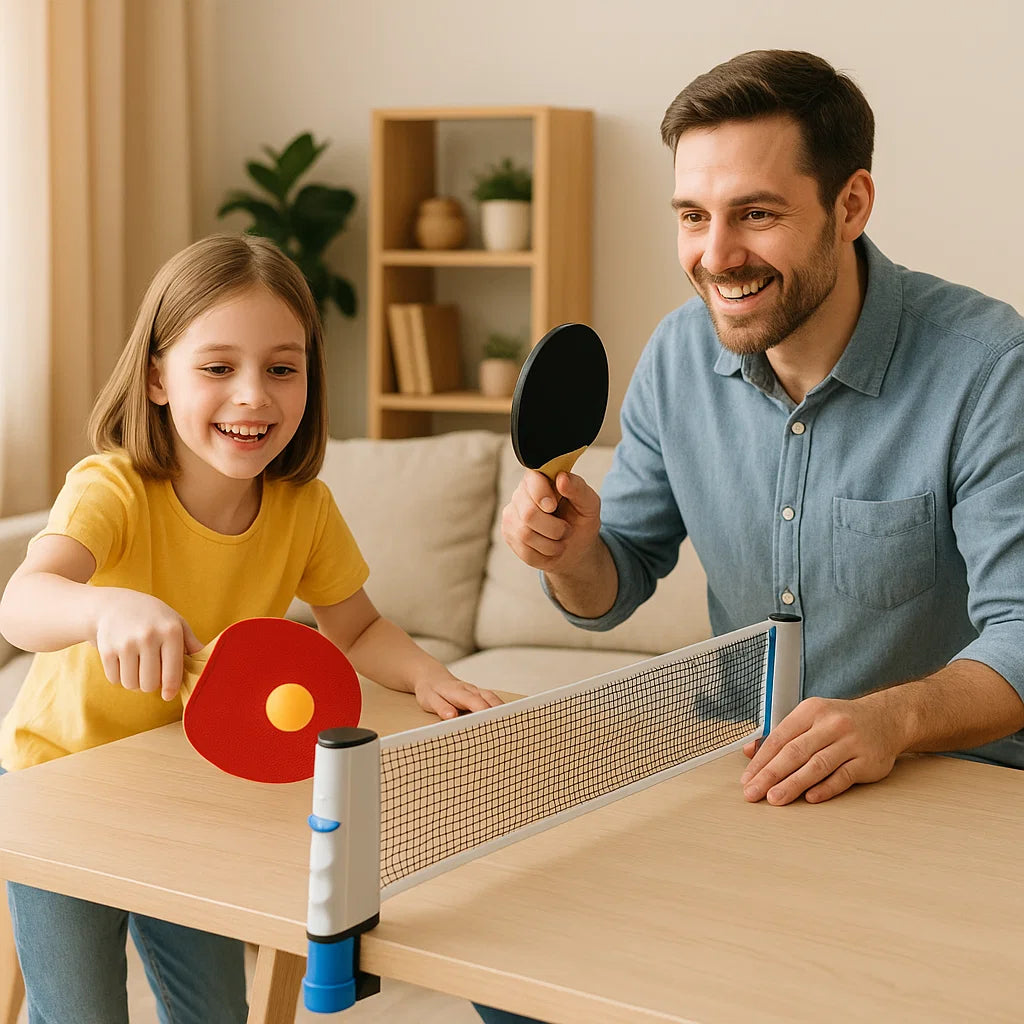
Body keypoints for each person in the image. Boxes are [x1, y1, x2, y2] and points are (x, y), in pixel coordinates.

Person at [501, 47, 1024, 818]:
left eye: (756, 213)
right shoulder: (677, 355)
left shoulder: (989, 368)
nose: (716, 257)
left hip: (954, 787)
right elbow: (616, 583)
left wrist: (892, 717)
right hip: (747, 776)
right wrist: (574, 558)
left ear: (851, 206)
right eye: (693, 217)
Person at [0, 234, 502, 1024]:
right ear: (158, 376)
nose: (252, 396)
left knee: (217, 1016)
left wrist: (426, 675)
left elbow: (359, 624)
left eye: (281, 368)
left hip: (190, 785)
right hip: (62, 786)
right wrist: (103, 607)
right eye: (217, 367)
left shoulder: (304, 510)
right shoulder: (113, 488)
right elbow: (24, 602)